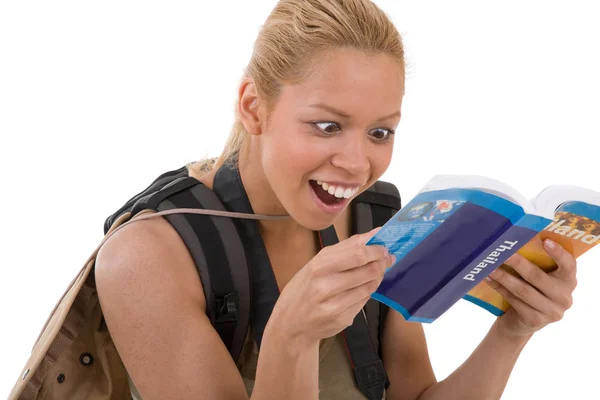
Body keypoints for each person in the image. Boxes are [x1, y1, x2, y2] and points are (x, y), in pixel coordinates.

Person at [94, 0, 578, 399]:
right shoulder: (147, 255)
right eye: (327, 126)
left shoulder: (377, 218)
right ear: (253, 107)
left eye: (380, 132)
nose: (357, 163)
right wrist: (291, 336)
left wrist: (513, 331)